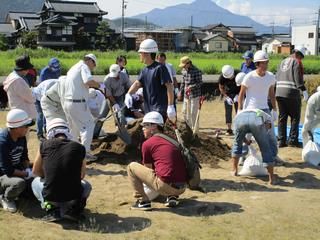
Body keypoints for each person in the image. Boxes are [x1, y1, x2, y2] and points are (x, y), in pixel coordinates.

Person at [32, 118, 91, 222]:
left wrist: (48, 176)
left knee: (34, 182)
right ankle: (74, 211)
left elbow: (35, 171)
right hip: (73, 194)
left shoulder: (44, 145)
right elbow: (82, 175)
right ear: (67, 132)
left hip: (51, 193)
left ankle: (51, 209)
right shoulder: (80, 147)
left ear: (49, 132)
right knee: (87, 186)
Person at [127, 111, 187, 210]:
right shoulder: (172, 140)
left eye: (145, 125)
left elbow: (148, 170)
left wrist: (147, 192)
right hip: (182, 187)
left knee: (131, 167)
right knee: (166, 168)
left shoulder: (147, 143)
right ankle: (172, 196)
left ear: (154, 126)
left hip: (165, 186)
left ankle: (143, 201)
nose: (142, 128)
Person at [61, 54, 104, 162]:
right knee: (89, 125)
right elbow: (88, 81)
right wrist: (100, 86)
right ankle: (85, 154)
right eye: (93, 65)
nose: (92, 68)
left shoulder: (73, 67)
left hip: (68, 102)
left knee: (73, 130)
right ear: (90, 61)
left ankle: (73, 152)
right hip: (77, 103)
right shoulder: (84, 66)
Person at [238, 50, 279, 164]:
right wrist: (240, 110)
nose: (265, 65)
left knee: (270, 134)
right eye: (263, 63)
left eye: (266, 62)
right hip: (250, 109)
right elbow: (241, 93)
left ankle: (273, 156)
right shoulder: (249, 77)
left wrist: (274, 110)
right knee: (247, 133)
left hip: (264, 109)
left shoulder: (270, 76)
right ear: (257, 64)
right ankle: (242, 155)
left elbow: (271, 94)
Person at [125, 39, 176, 123]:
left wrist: (170, 106)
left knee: (156, 132)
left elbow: (169, 86)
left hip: (160, 109)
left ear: (146, 53)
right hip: (149, 109)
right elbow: (137, 83)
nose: (139, 55)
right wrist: (129, 94)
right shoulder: (144, 70)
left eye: (140, 53)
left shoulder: (160, 68)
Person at [0, 109, 34, 213]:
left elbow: (24, 157)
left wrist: (29, 169)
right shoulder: (3, 142)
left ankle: (21, 192)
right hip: (3, 174)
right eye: (26, 126)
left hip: (16, 169)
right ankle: (5, 198)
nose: (28, 128)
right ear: (16, 128)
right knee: (19, 183)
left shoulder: (21, 137)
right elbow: (8, 170)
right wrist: (26, 174)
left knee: (40, 170)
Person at [231, 109, 276, 185]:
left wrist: (247, 142)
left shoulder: (243, 113)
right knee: (265, 149)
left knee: (237, 145)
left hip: (240, 118)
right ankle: (271, 178)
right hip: (256, 118)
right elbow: (271, 138)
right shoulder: (268, 118)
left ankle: (234, 171)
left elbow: (239, 137)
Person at [275, 46, 308, 148]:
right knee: (295, 117)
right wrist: (304, 91)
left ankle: (281, 141)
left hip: (279, 92)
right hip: (291, 93)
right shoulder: (296, 62)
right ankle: (292, 141)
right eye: (301, 57)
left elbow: (276, 77)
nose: (301, 59)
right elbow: (298, 78)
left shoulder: (282, 61)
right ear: (299, 54)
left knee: (282, 117)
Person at [93, 64, 131, 139]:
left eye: (116, 75)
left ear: (119, 72)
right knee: (101, 116)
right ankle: (94, 134)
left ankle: (121, 133)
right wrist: (115, 104)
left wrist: (128, 96)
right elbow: (108, 94)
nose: (114, 77)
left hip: (120, 97)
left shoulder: (124, 76)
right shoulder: (107, 79)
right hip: (109, 98)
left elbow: (129, 86)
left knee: (120, 115)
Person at [3, 55, 36, 120]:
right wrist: (33, 92)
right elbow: (31, 98)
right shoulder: (18, 80)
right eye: (28, 69)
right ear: (24, 69)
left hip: (16, 110)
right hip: (23, 112)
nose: (28, 71)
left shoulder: (11, 75)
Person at [178, 56, 203, 130]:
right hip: (186, 96)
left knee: (193, 113)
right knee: (184, 112)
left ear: (188, 63)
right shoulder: (183, 71)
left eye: (184, 65)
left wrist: (191, 87)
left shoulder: (197, 71)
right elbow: (183, 82)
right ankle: (187, 129)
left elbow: (200, 83)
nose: (183, 67)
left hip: (194, 96)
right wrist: (180, 92)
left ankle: (194, 129)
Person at [218, 65, 240, 135]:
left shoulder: (239, 74)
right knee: (228, 111)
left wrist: (239, 95)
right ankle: (229, 129)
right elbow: (221, 87)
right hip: (228, 94)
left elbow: (244, 86)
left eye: (231, 76)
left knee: (239, 111)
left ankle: (239, 128)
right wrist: (226, 97)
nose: (230, 78)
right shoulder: (222, 77)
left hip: (238, 93)